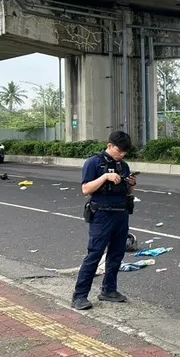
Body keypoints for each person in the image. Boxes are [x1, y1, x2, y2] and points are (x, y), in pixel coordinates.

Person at [71, 131, 137, 310]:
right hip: (102, 214)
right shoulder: (94, 162)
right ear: (109, 146)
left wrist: (130, 184)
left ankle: (109, 290)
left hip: (121, 213)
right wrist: (105, 177)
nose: (122, 154)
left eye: (125, 152)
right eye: (119, 150)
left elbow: (128, 193)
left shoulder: (123, 166)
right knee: (95, 254)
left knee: (116, 254)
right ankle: (79, 296)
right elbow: (86, 189)